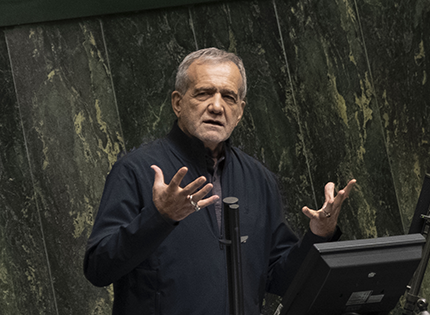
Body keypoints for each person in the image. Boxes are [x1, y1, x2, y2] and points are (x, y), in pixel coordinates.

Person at [83, 47, 356, 315]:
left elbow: (280, 279)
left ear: (239, 111)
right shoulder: (136, 170)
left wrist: (319, 234)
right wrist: (160, 217)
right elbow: (98, 269)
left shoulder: (259, 179)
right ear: (178, 103)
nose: (216, 106)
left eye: (229, 97)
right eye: (203, 93)